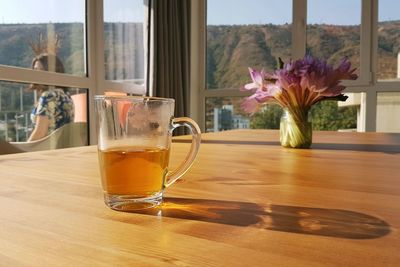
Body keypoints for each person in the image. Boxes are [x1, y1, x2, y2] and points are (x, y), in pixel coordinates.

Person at [28, 53, 74, 141]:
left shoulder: (48, 96)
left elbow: (40, 133)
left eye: (41, 69)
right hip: (61, 148)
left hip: (45, 150)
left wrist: (22, 152)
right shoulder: (66, 96)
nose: (36, 73)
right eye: (35, 69)